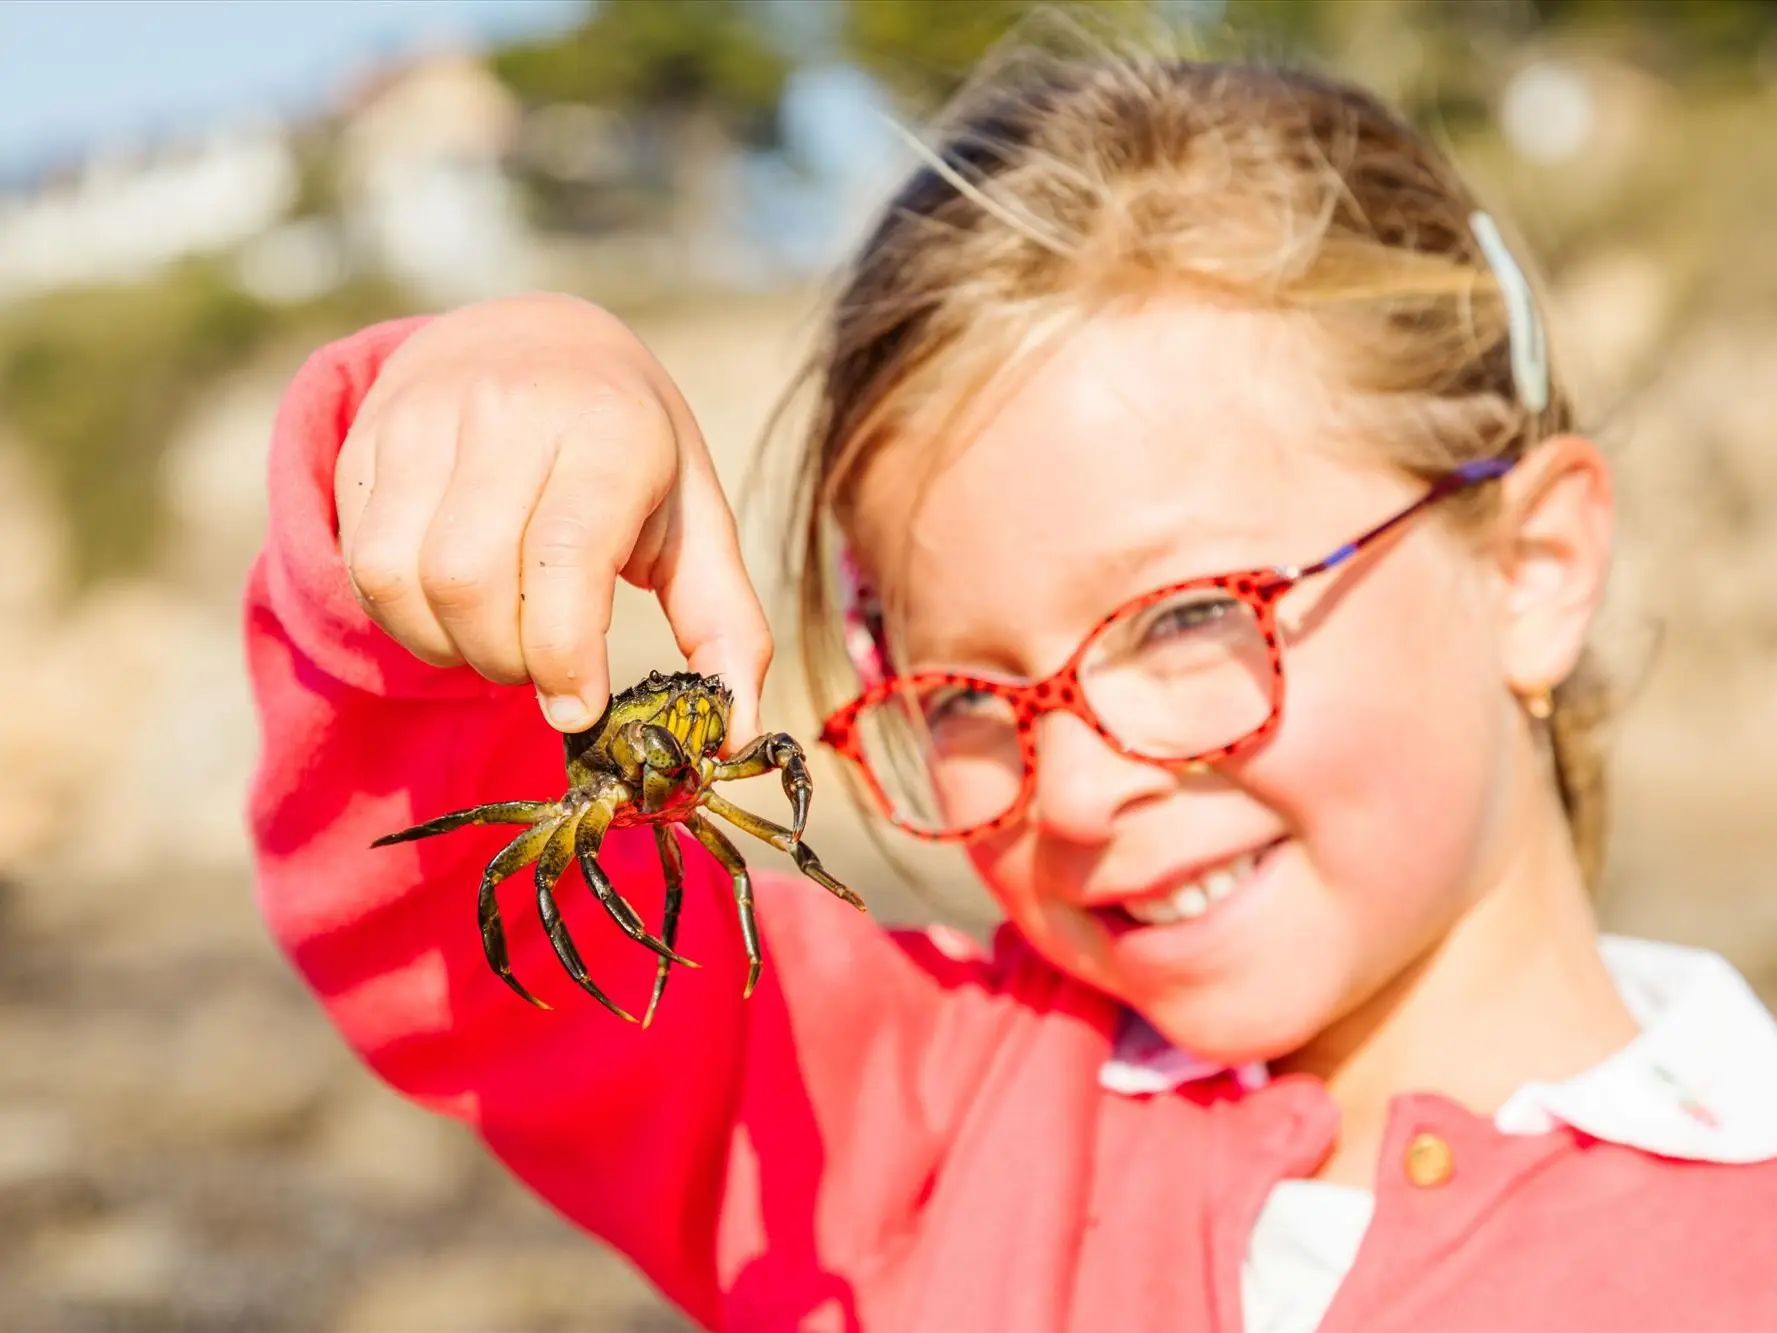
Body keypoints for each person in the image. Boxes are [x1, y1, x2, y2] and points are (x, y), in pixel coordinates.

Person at [245, 47, 1777, 1333]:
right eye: (965, 697)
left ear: (1532, 569)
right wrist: (495, 403)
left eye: (1188, 621)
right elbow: (465, 908)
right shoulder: (903, 1115)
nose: (1090, 793)